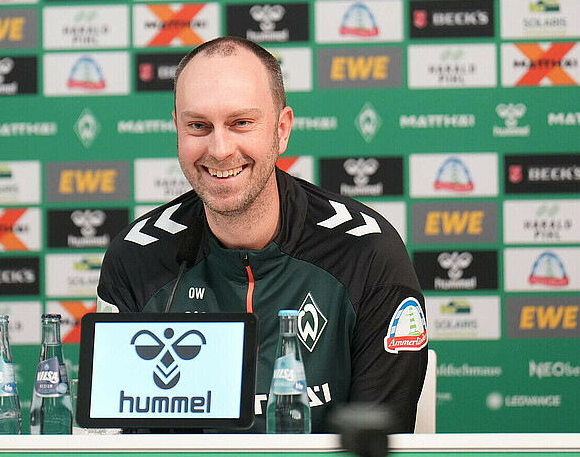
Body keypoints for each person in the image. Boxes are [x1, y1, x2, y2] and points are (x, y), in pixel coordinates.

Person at [97, 36, 428, 433]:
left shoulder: (367, 252)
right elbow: (118, 441)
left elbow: (379, 443)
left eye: (241, 123)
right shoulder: (137, 256)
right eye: (198, 126)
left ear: (282, 129)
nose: (219, 150)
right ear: (177, 130)